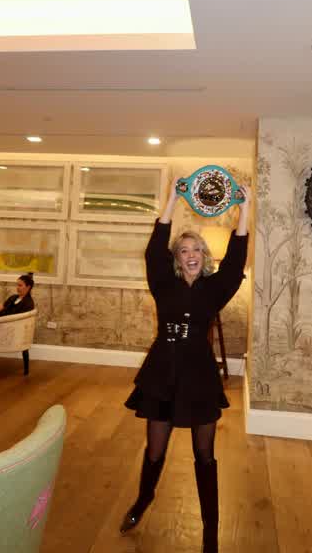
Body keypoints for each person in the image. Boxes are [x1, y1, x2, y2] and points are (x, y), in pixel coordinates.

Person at [120, 178, 250, 553]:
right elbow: (153, 251)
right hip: (161, 373)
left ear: (204, 256)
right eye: (183, 250)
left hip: (199, 377)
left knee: (205, 455)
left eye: (196, 249)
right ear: (176, 258)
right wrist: (173, 199)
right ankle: (143, 499)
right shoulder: (163, 283)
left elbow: (236, 260)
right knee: (155, 451)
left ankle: (210, 531)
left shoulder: (215, 288)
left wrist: (245, 207)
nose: (190, 254)